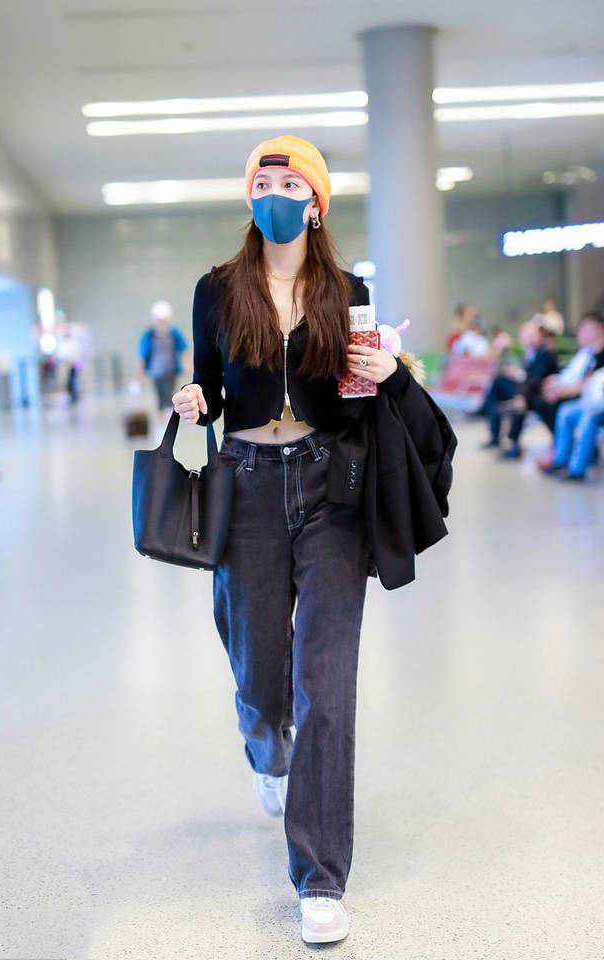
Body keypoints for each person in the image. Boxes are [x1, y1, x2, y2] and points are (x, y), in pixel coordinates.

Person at [171, 135, 451, 946]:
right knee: (260, 671)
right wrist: (195, 397)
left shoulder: (347, 289)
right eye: (263, 179)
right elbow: (213, 385)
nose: (275, 192)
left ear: (317, 203)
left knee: (325, 687)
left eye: (292, 181)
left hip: (331, 491)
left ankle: (320, 878)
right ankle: (266, 750)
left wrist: (387, 366)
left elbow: (365, 392)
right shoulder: (218, 289)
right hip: (247, 488)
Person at [480, 319, 557, 457]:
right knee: (498, 383)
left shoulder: (546, 352)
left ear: (539, 335)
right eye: (524, 336)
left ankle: (512, 441)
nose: (526, 339)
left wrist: (518, 374)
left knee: (521, 398)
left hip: (537, 392)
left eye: (530, 335)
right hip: (524, 388)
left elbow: (536, 380)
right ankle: (494, 433)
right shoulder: (529, 352)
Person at [532, 311, 604, 455]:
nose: (584, 333)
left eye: (587, 329)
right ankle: (560, 457)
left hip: (595, 401)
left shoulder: (596, 353)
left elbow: (586, 383)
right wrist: (557, 387)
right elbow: (575, 378)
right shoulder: (589, 352)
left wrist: (561, 392)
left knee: (585, 415)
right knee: (560, 408)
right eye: (583, 329)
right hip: (588, 398)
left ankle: (576, 466)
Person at [537, 367, 604, 481]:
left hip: (598, 408)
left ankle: (576, 470)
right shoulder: (597, 369)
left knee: (588, 418)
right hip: (593, 403)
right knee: (566, 410)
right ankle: (560, 460)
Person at [136, 301, 191, 413]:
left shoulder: (174, 333)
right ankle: (162, 424)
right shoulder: (149, 335)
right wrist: (138, 377)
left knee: (170, 397)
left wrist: (188, 365)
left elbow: (184, 349)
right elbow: (142, 357)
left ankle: (169, 421)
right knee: (160, 399)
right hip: (156, 372)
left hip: (171, 371)